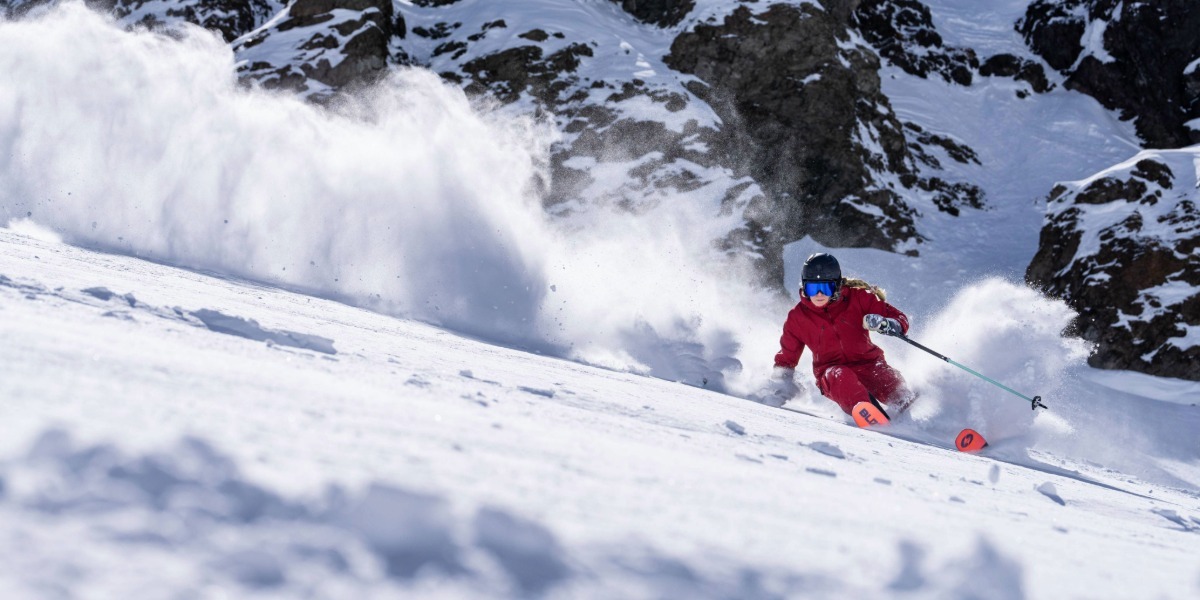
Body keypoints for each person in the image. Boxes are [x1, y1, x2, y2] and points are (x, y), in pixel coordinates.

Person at [766, 252, 914, 418]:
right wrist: (780, 385)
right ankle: (870, 413)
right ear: (804, 287)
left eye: (825, 288)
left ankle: (915, 416)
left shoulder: (858, 298)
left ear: (836, 285)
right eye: (813, 288)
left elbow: (899, 318)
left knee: (893, 387)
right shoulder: (798, 317)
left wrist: (888, 324)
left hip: (870, 364)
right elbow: (786, 357)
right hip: (831, 374)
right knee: (841, 375)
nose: (819, 294)